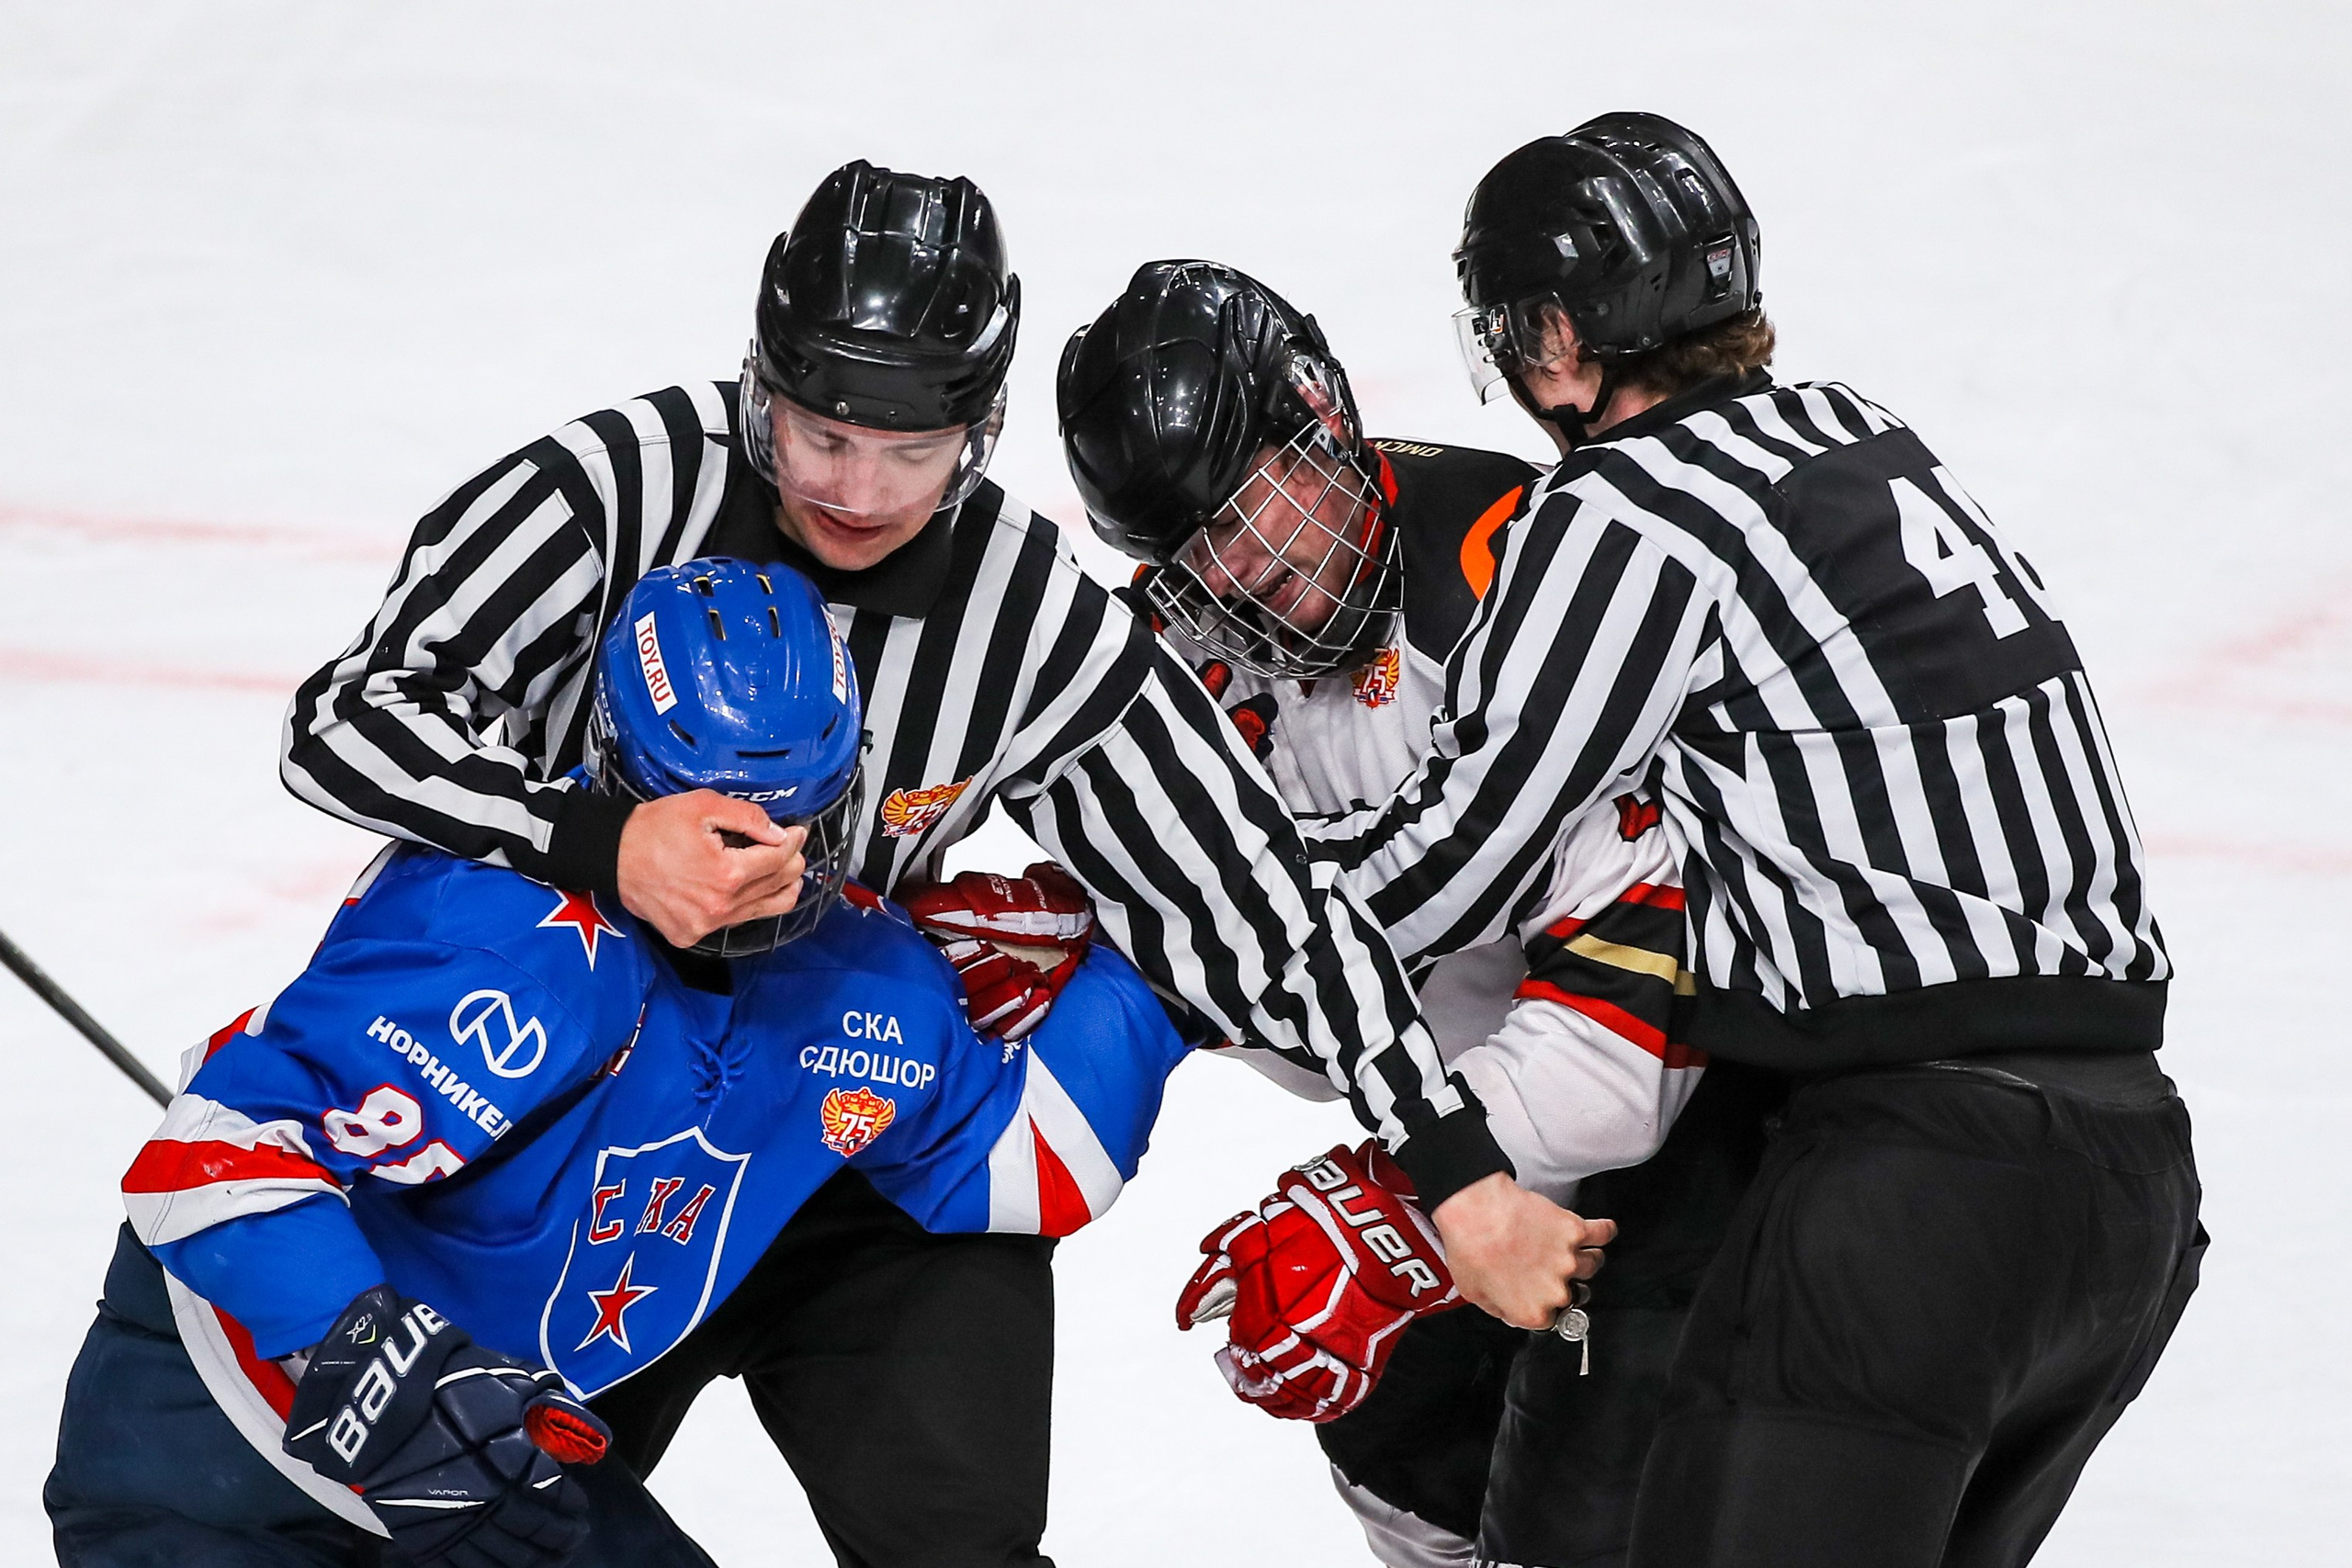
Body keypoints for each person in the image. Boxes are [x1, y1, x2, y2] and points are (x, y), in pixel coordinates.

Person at [277, 161, 1598, 1350]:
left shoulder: (1029, 612)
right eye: (821, 435)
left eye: (911, 451)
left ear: (980, 429)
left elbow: (1250, 900)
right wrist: (596, 842)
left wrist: (1454, 1165)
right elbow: (345, 718)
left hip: (844, 1090)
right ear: (763, 380)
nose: (857, 490)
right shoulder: (614, 484)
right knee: (506, 1500)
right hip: (544, 1086)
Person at [1301, 111, 2205, 1566]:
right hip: (2129, 1191)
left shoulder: (1634, 501)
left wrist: (1174, 927)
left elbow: (1457, 861)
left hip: (1915, 1184)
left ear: (1557, 331)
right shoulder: (1862, 436)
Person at [47, 558, 1193, 1568]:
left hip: (488, 1476)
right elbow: (209, 1152)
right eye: (726, 828)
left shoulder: (868, 980)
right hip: (213, 1452)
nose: (763, 872)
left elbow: (1033, 1156)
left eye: (803, 820)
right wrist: (375, 1365)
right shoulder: (501, 942)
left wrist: (1142, 950)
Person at [1057, 259, 1782, 1568]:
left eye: (1262, 500)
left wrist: (1395, 1202)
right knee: (1401, 1434)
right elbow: (1315, 1012)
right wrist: (1134, 955)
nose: (1251, 569)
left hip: (1723, 1119)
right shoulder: (1182, 671)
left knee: (1614, 1490)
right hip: (1481, 1139)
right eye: (1198, 547)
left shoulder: (1525, 579)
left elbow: (1637, 1028)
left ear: (1327, 419)